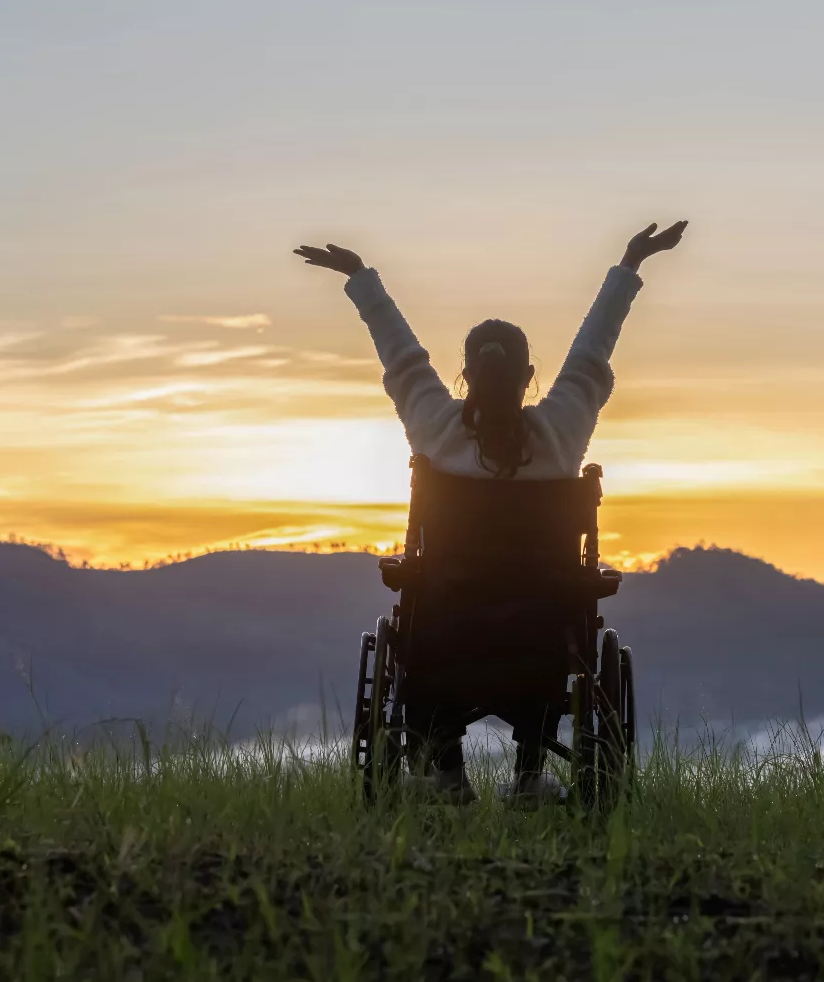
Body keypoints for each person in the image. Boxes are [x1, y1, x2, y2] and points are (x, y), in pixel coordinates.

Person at [295, 221, 688, 803]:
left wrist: (360, 278)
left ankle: (446, 771)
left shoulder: (435, 430)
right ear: (530, 378)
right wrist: (631, 263)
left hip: (443, 647)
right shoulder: (561, 436)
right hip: (544, 652)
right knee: (557, 615)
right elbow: (591, 353)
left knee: (422, 609)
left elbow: (402, 359)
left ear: (465, 376)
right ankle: (530, 775)